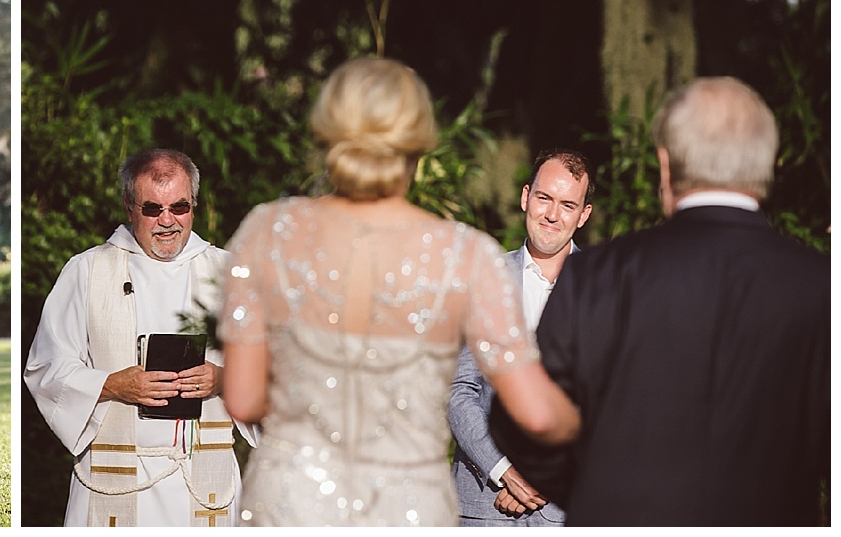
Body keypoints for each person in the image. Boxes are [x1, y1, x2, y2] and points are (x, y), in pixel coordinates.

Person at [218, 57, 579, 526]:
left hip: (293, 497)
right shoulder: (465, 253)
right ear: (419, 141)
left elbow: (244, 399)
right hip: (404, 502)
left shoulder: (268, 230)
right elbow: (533, 406)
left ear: (328, 129)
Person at [491, 76, 829, 526]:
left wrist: (592, 488)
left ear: (665, 167)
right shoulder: (820, 286)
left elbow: (524, 416)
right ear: (768, 166)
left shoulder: (598, 275)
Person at [24, 148, 259, 526]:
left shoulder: (229, 273)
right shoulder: (87, 270)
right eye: (153, 209)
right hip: (114, 475)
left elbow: (275, 367)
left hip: (203, 480)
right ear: (129, 207)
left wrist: (223, 379)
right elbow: (46, 367)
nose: (168, 221)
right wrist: (112, 385)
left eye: (179, 207)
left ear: (194, 205)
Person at [448, 149, 593, 526]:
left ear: (583, 215)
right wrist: (505, 470)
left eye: (567, 204)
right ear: (526, 196)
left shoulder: (606, 289)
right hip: (483, 505)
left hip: (566, 511)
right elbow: (458, 388)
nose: (552, 214)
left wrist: (545, 478)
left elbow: (613, 402)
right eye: (544, 198)